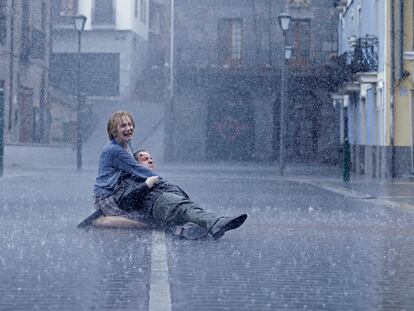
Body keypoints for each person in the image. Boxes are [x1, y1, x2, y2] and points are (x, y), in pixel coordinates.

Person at [79, 111, 247, 240]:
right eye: (123, 126)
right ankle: (99, 220)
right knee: (145, 221)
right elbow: (138, 170)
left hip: (120, 194)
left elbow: (133, 170)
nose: (128, 128)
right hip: (108, 198)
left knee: (155, 216)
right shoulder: (115, 150)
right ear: (113, 131)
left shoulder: (126, 145)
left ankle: (206, 225)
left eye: (130, 125)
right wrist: (158, 181)